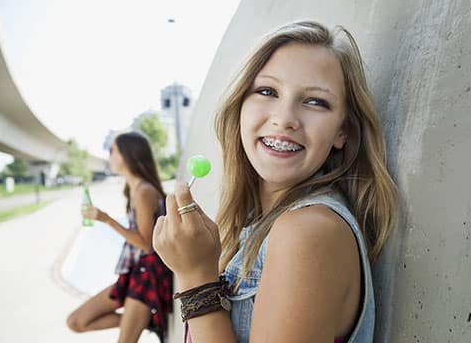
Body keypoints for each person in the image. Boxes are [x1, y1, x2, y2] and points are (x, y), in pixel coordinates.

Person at [153, 21, 398, 342]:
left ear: (343, 132)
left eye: (315, 101)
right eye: (267, 92)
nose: (284, 118)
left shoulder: (309, 231)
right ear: (240, 105)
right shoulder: (259, 226)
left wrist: (195, 276)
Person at [66, 132, 173, 343]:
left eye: (112, 150)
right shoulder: (132, 189)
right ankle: (149, 321)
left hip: (148, 274)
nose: (109, 156)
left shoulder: (143, 191)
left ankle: (145, 319)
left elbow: (146, 244)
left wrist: (106, 219)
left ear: (127, 154)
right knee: (77, 321)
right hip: (134, 271)